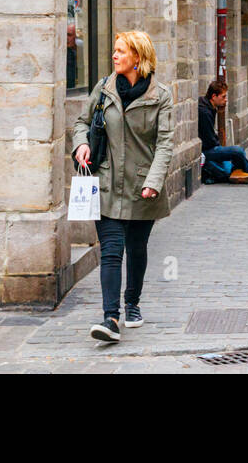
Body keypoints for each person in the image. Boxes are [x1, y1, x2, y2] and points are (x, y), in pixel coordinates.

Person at [73, 30, 174, 343]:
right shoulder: (103, 89)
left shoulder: (161, 96)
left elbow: (165, 143)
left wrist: (154, 182)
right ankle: (110, 318)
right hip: (104, 182)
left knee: (137, 248)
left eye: (121, 52)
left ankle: (132, 303)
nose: (115, 56)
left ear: (138, 58)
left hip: (142, 185)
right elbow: (81, 123)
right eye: (115, 51)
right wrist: (80, 145)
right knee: (112, 251)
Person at [198, 78, 248, 184]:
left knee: (230, 165)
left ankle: (245, 171)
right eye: (223, 97)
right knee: (237, 151)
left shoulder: (210, 107)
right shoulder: (205, 112)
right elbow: (209, 140)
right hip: (206, 151)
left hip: (211, 148)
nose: (225, 100)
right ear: (214, 96)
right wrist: (220, 148)